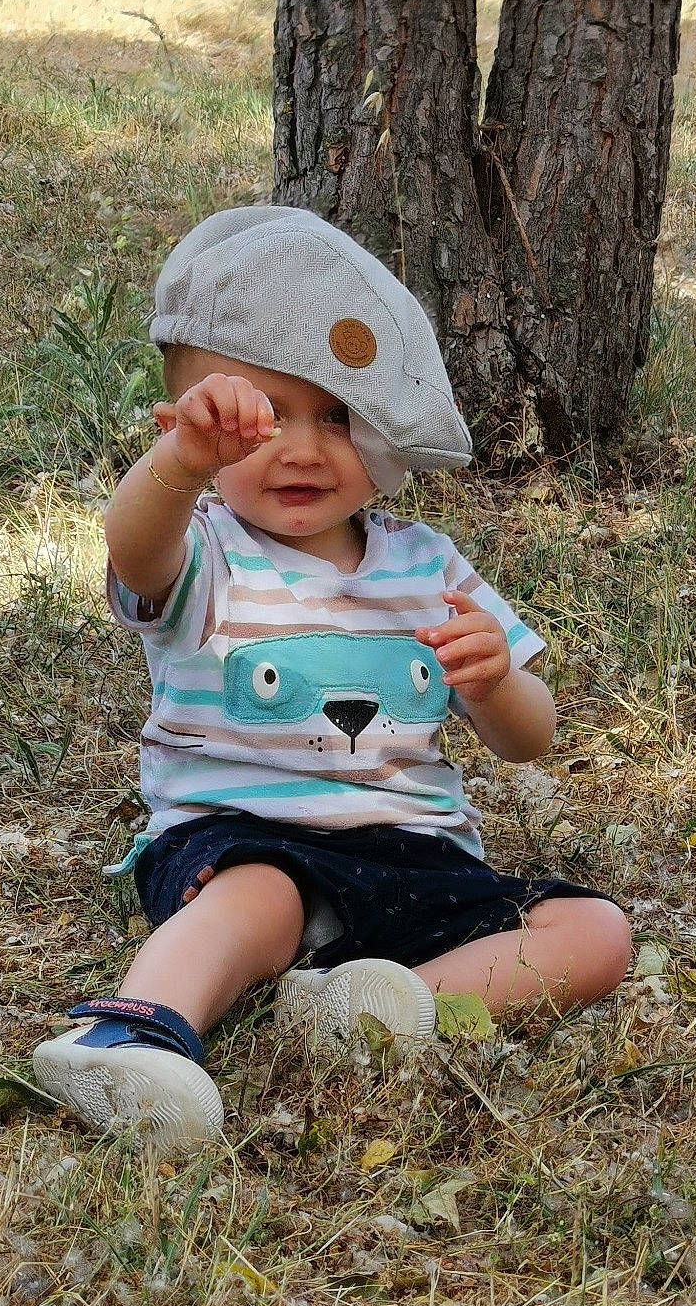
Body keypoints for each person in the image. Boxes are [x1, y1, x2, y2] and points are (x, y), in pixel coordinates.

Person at [31, 206, 632, 1147]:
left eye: (339, 418)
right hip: (245, 838)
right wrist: (179, 467)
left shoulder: (428, 563)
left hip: (417, 857)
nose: (305, 448)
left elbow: (531, 739)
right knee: (259, 902)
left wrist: (494, 683)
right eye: (265, 419)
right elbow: (133, 551)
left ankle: (385, 1011)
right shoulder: (208, 553)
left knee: (596, 933)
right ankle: (131, 1034)